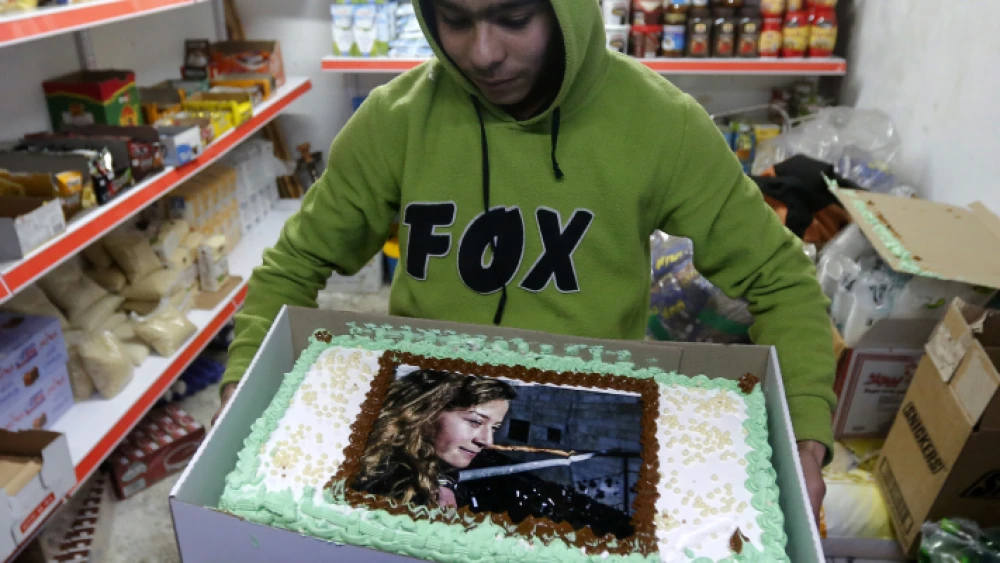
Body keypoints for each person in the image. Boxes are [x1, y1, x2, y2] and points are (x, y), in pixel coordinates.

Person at [217, 0, 835, 520]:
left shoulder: (661, 125)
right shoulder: (393, 122)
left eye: (513, 17)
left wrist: (804, 439)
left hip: (584, 430)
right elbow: (293, 267)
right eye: (454, 19)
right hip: (424, 427)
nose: (482, 52)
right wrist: (240, 393)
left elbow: (780, 280)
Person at [352, 370, 517, 507]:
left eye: (495, 428)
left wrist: (441, 482)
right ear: (425, 412)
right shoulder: (394, 493)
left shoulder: (379, 457)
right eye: (475, 421)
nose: (488, 441)